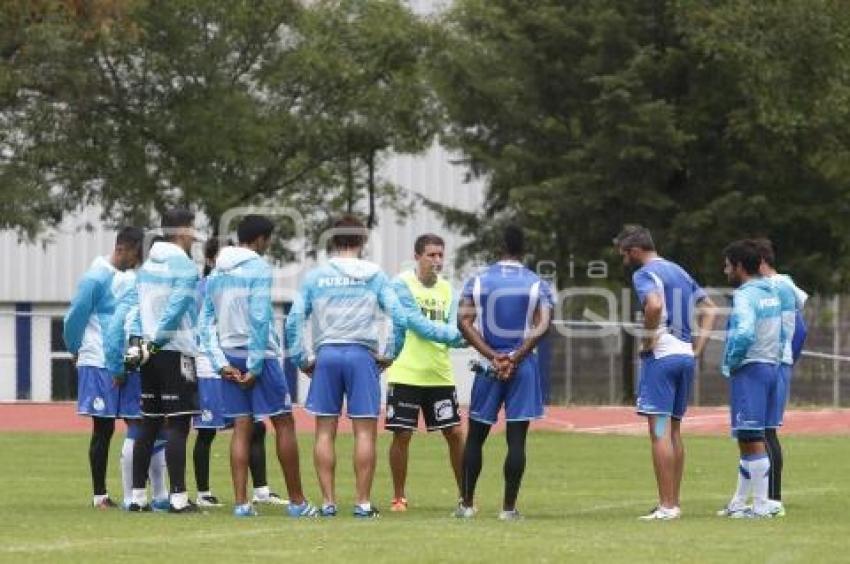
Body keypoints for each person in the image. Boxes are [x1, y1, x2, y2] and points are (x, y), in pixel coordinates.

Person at [285, 215, 407, 518]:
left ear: (333, 240)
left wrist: (302, 359)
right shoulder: (375, 274)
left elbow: (292, 320)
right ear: (363, 241)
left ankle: (328, 502)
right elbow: (400, 318)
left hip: (326, 354)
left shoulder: (316, 276)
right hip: (360, 354)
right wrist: (390, 354)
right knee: (364, 432)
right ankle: (362, 502)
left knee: (324, 432)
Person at [199, 215, 316, 518]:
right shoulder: (258, 268)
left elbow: (205, 323)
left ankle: (241, 504)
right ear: (261, 239)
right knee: (284, 423)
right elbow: (260, 317)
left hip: (227, 354)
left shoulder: (215, 274)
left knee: (241, 427)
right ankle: (298, 502)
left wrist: (220, 363)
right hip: (258, 355)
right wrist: (254, 365)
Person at [615, 225, 717, 520]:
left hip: (662, 356)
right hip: (685, 353)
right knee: (673, 430)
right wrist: (698, 347)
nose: (624, 261)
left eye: (624, 254)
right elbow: (709, 308)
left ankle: (667, 506)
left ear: (635, 250)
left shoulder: (644, 273)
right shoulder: (679, 271)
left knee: (658, 431)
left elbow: (655, 305)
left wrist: (648, 340)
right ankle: (673, 501)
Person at [455, 225, 553, 520]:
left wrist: (493, 356)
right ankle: (508, 509)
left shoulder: (479, 280)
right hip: (522, 367)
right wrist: (515, 356)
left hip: (489, 366)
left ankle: (467, 506)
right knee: (517, 440)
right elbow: (543, 324)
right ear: (524, 249)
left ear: (499, 248)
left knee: (475, 438)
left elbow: (464, 322)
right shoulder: (537, 283)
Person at [192, 237, 286, 508]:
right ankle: (203, 492)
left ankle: (260, 490)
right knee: (208, 429)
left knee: (254, 427)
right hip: (212, 364)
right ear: (211, 260)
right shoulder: (204, 286)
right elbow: (203, 325)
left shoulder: (234, 280)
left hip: (232, 357)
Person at [124, 208, 202, 513]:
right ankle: (179, 499)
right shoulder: (184, 265)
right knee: (178, 425)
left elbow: (135, 308)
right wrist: (155, 343)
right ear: (182, 231)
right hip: (172, 349)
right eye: (193, 228)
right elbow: (178, 306)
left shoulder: (147, 265)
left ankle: (138, 497)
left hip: (147, 351)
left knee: (149, 423)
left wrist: (137, 344)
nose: (195, 234)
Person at [63, 226, 144, 509]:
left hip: (125, 361)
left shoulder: (129, 278)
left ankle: (137, 493)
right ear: (124, 248)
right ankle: (100, 495)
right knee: (104, 428)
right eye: (136, 254)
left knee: (138, 422)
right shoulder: (95, 278)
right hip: (98, 361)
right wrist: (75, 348)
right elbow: (74, 318)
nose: (138, 260)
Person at [385, 233, 466, 512]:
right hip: (406, 372)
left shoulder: (448, 290)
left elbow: (458, 328)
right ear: (417, 256)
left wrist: (458, 335)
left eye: (441, 255)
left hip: (439, 373)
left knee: (455, 433)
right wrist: (454, 336)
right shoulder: (400, 284)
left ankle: (464, 495)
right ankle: (398, 497)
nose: (437, 261)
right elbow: (415, 323)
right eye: (431, 255)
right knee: (402, 435)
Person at [718, 240, 784, 519]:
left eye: (727, 265)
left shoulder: (745, 296)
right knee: (748, 437)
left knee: (752, 436)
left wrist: (732, 361)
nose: (725, 271)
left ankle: (759, 506)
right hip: (770, 367)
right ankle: (739, 502)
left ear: (739, 266)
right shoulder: (771, 292)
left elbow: (744, 333)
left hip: (751, 369)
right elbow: (782, 334)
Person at [106, 234, 169, 512]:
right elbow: (116, 326)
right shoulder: (136, 283)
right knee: (139, 427)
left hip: (152, 359)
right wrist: (117, 365)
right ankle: (133, 495)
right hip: (139, 360)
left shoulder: (149, 281)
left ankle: (160, 494)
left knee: (157, 429)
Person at [753, 238, 808, 507]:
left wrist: (785, 359)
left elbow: (800, 330)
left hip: (772, 363)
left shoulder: (778, 287)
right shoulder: (781, 285)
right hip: (775, 363)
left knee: (765, 431)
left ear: (760, 261)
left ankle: (772, 497)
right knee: (761, 431)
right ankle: (765, 496)